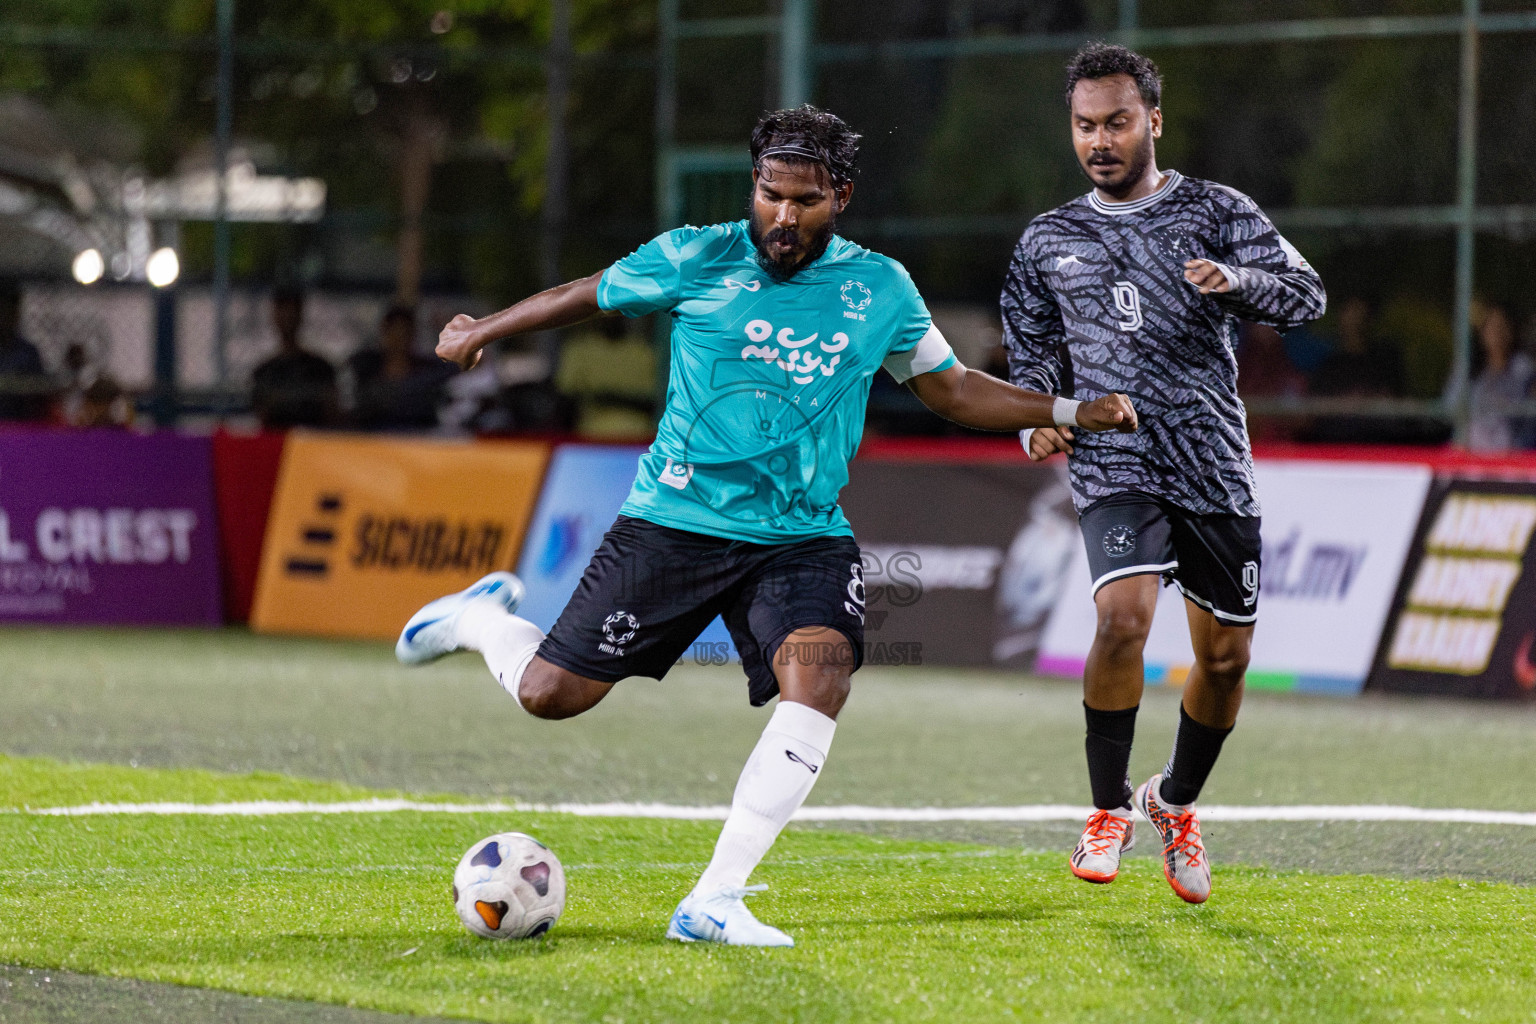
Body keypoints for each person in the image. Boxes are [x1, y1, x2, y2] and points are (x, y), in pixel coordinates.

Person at [397, 105, 1138, 947]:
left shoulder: (880, 289)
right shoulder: (697, 254)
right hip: (672, 523)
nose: (783, 217)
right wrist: (482, 329)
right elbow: (588, 294)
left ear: (841, 197)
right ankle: (478, 618)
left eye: (805, 201)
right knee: (550, 697)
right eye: (770, 195)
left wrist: (1073, 407)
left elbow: (953, 387)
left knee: (819, 676)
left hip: (800, 536)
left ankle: (713, 899)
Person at [1002, 43, 1326, 904]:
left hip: (1212, 462)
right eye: (1084, 125)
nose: (1099, 140)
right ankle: (1107, 809)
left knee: (1224, 661)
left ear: (1152, 120)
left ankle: (1173, 803)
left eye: (1115, 122)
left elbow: (1307, 294)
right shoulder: (1047, 241)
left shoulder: (1218, 210)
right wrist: (1041, 418)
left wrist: (1238, 280)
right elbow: (1031, 358)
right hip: (1116, 460)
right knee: (1121, 618)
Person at [349, 304, 453, 431]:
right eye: (394, 332)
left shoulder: (429, 371)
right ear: (384, 332)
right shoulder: (364, 368)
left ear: (412, 335)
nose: (399, 339)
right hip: (372, 439)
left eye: (405, 333)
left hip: (418, 439)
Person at [250, 286, 338, 429]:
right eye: (282, 310)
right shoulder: (264, 371)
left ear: (300, 315)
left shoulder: (320, 368)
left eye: (291, 311)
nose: (287, 317)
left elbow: (332, 412)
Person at [555, 316, 656, 438]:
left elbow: (651, 401)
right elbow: (565, 397)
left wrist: (607, 397)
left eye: (617, 313)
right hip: (590, 434)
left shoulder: (642, 351)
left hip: (636, 436)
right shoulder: (579, 349)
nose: (611, 318)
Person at [1465, 302, 1535, 452]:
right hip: (1471, 455)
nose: (1497, 333)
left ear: (1511, 331)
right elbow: (1450, 406)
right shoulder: (1471, 369)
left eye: (1502, 326)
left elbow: (1523, 413)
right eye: (1491, 327)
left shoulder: (1523, 369)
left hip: (1510, 454)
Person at [0, 280, 49, 422]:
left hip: (22, 428)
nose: (4, 318)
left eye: (10, 311)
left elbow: (40, 398)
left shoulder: (28, 352)